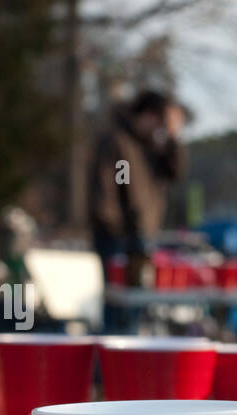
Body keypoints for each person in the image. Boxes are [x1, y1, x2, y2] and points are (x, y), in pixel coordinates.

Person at [88, 90, 187, 288]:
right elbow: (108, 188)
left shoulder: (151, 147)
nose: (160, 129)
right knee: (119, 303)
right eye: (160, 122)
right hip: (119, 237)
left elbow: (174, 172)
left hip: (142, 236)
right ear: (148, 114)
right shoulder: (118, 142)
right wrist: (116, 227)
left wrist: (174, 136)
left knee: (138, 302)